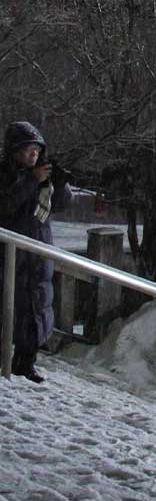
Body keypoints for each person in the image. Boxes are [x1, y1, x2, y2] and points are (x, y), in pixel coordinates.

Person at [0, 121, 72, 382]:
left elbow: (61, 204)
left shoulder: (42, 179)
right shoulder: (9, 176)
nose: (32, 157)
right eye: (26, 151)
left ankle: (26, 362)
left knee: (36, 308)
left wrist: (60, 184)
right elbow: (6, 205)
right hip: (10, 254)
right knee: (10, 305)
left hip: (38, 252)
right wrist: (32, 180)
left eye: (35, 151)